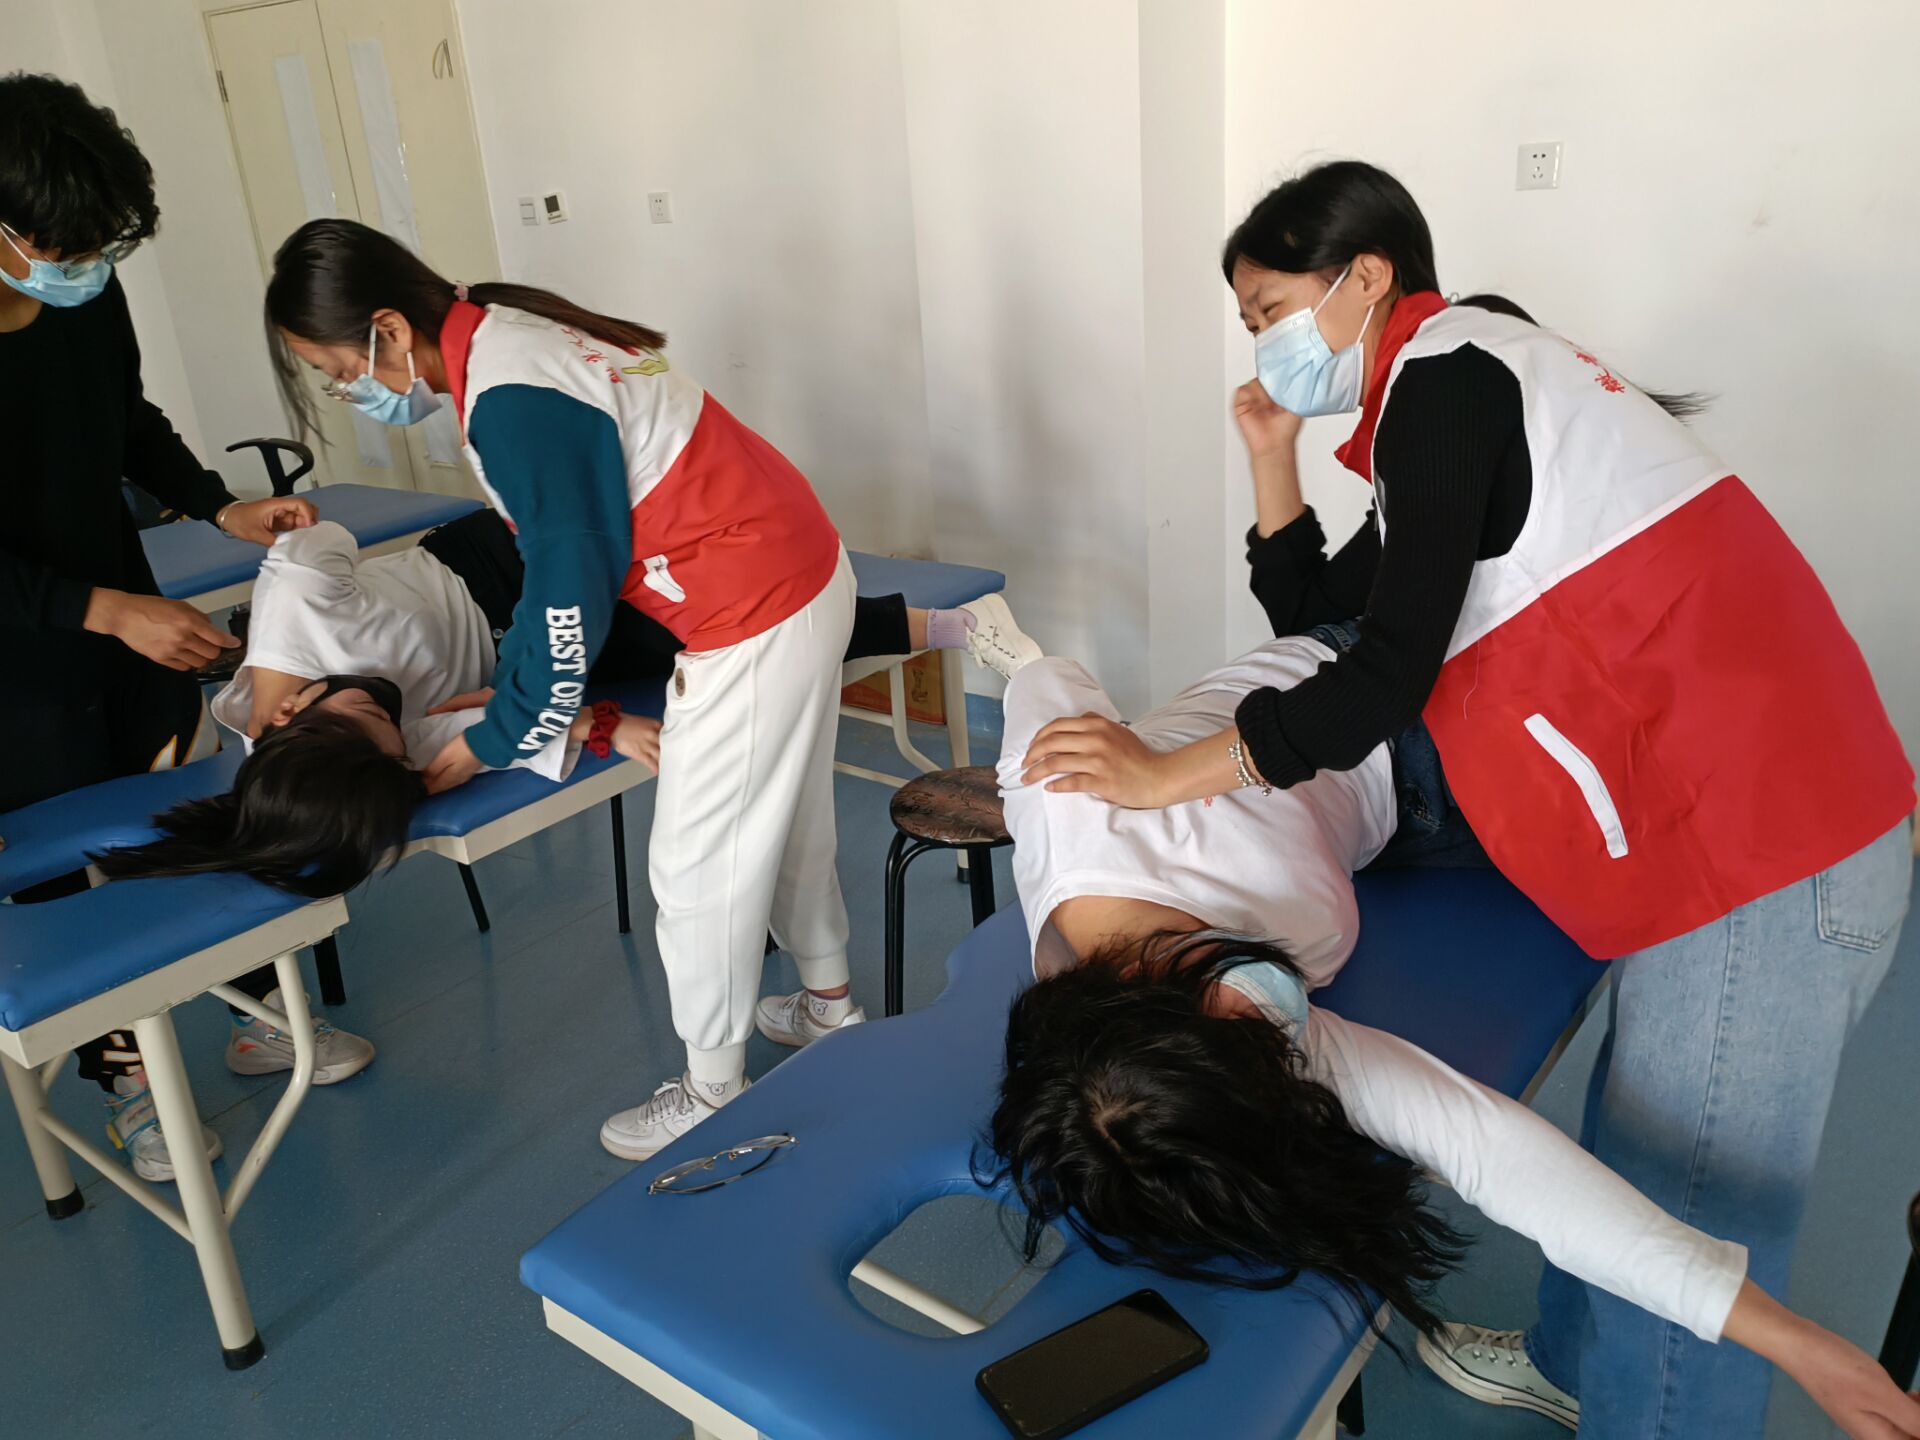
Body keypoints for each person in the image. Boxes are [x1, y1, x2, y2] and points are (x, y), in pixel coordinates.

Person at [1015, 159, 1915, 1437]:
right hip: (1702, 816)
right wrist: (1272, 460)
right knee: (1643, 1142)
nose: (1263, 346)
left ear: (1365, 278)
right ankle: (1570, 1361)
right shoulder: (1451, 399)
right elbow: (1324, 619)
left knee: (1690, 1192)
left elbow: (1377, 676)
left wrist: (1165, 769)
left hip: (1765, 838)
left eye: (1269, 311)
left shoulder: (1449, 383)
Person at [991, 647, 1920, 1440]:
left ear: (1140, 983)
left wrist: (1158, 758)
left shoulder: (1067, 804)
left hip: (1385, 698)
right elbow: (1493, 1151)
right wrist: (1798, 1343)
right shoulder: (1240, 1047)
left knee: (1687, 1123)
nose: (1278, 1024)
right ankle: (1568, 1363)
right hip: (1413, 807)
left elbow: (1042, 677)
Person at [260, 219, 1037, 1160]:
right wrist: (527, 707)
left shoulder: (510, 393)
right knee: (785, 815)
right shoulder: (511, 336)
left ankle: (712, 1092)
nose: (349, 390)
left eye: (338, 370)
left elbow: (565, 593)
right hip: (790, 565)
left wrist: (500, 732)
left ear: (386, 328)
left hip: (749, 604)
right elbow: (563, 572)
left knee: (697, 867)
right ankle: (827, 1007)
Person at [0, 71, 372, 1185]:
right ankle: (129, 1088)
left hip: (126, 622)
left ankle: (257, 1013)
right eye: (67, 250)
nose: (87, 267)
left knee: (191, 813)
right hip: (20, 663)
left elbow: (128, 421)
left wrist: (217, 504)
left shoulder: (86, 292)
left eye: (101, 249)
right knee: (70, 865)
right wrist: (103, 610)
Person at [96, 510, 1032, 897]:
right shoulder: (356, 759)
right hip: (526, 658)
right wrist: (602, 726)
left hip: (495, 566)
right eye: (393, 737)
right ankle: (950, 626)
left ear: (287, 711)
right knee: (722, 642)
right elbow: (473, 728)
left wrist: (278, 622)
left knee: (721, 615)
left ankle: (953, 624)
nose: (392, 713)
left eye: (371, 712)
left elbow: (317, 539)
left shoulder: (296, 612)